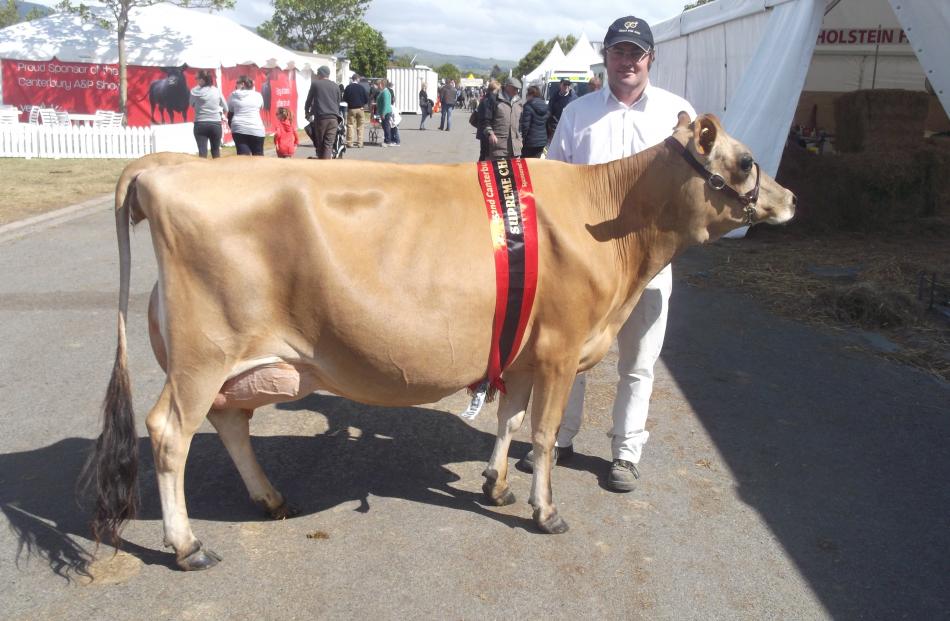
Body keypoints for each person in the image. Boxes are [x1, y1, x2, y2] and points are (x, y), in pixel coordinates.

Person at [517, 15, 696, 493]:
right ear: (606, 57)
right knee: (569, 358)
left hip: (648, 266)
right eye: (619, 52)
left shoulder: (678, 116)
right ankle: (557, 439)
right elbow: (555, 181)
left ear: (650, 58)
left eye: (636, 53)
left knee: (638, 363)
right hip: (585, 268)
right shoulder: (578, 113)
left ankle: (626, 453)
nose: (627, 62)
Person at [304, 65, 342, 159]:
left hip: (321, 118)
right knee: (328, 145)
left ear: (320, 74)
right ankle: (326, 167)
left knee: (320, 144)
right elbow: (338, 102)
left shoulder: (315, 84)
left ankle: (321, 167)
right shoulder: (335, 86)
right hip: (334, 119)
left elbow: (309, 100)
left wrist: (307, 112)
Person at [189, 69, 227, 158]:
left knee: (202, 152)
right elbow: (226, 108)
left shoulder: (194, 91)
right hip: (215, 124)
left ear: (202, 80)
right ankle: (217, 171)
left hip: (200, 123)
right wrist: (219, 113)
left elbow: (191, 104)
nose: (196, 80)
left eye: (197, 78)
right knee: (216, 151)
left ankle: (203, 171)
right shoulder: (216, 91)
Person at [482, 76, 522, 160]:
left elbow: (521, 122)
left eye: (517, 89)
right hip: (498, 148)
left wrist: (520, 138)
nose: (516, 91)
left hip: (515, 148)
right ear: (507, 86)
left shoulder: (519, 102)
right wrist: (490, 134)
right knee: (497, 172)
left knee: (514, 172)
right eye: (514, 88)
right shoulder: (494, 99)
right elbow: (486, 120)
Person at [227, 75, 265, 156]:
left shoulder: (233, 95)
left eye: (237, 83)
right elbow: (261, 107)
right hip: (256, 128)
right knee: (258, 156)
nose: (235, 85)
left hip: (239, 128)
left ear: (243, 84)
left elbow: (230, 111)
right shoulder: (258, 95)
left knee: (243, 157)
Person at [519, 84, 549, 158]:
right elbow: (547, 124)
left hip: (530, 141)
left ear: (531, 94)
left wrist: (522, 138)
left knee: (526, 163)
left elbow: (525, 125)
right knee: (536, 161)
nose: (526, 96)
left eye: (527, 94)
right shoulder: (545, 106)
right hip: (542, 141)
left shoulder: (528, 106)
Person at [474, 79, 499, 161]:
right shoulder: (491, 99)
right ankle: (480, 172)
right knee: (486, 154)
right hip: (486, 130)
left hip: (483, 130)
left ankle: (479, 171)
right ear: (495, 89)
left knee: (484, 153)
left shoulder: (485, 98)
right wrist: (490, 132)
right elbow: (486, 118)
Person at [342, 73, 368, 148]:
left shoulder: (348, 87)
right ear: (358, 79)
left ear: (352, 79)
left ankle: (350, 143)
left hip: (351, 109)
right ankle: (360, 143)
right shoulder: (361, 88)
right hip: (360, 109)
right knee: (360, 126)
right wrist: (363, 104)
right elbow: (366, 99)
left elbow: (344, 98)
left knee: (350, 125)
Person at [376, 78, 400, 147]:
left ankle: (387, 141)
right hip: (384, 112)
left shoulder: (385, 92)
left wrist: (383, 113)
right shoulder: (383, 91)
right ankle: (387, 140)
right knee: (385, 127)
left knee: (386, 127)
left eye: (379, 84)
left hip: (386, 112)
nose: (378, 86)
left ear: (382, 84)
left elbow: (386, 104)